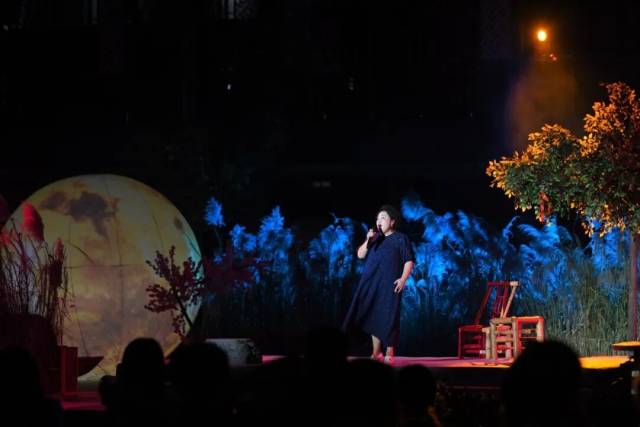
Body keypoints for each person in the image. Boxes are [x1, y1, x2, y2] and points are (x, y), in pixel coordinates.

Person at [342, 205, 415, 363]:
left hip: (390, 283)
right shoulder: (374, 238)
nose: (379, 221)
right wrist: (367, 240)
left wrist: (403, 279)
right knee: (373, 315)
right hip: (371, 282)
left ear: (392, 222)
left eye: (383, 218)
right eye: (377, 218)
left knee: (389, 315)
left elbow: (409, 260)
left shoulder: (400, 238)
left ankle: (389, 351)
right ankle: (376, 353)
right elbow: (360, 255)